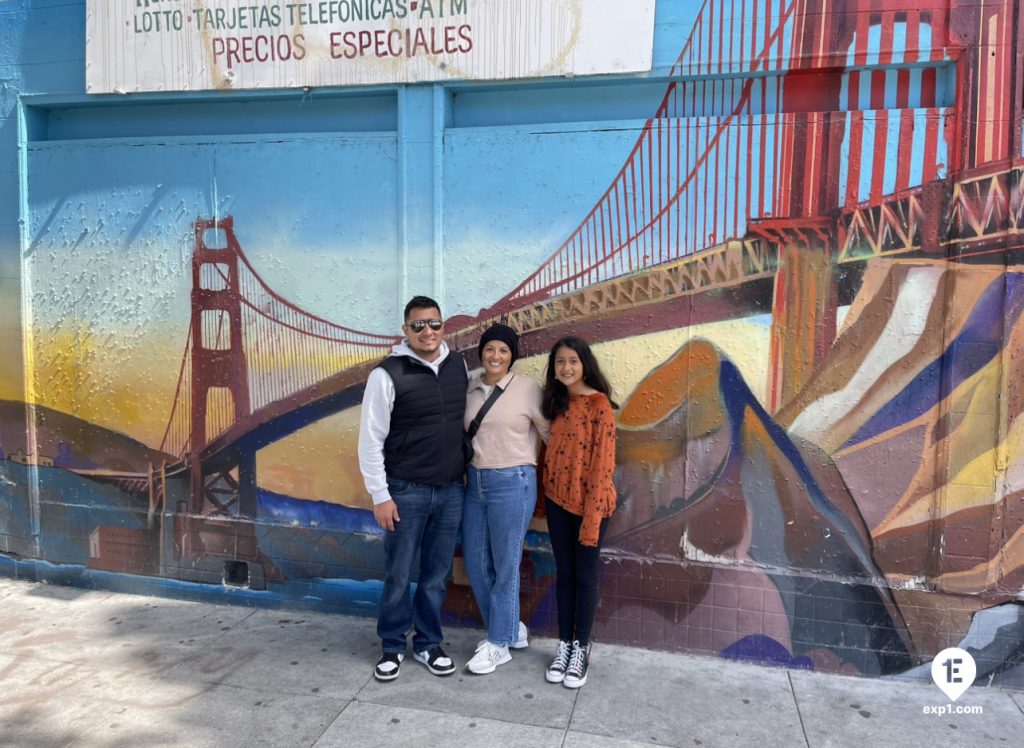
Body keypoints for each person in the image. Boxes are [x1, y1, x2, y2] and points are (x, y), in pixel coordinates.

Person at [358, 296, 467, 682]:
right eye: (418, 325)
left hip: (451, 490)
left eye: (434, 323)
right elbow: (370, 440)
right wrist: (381, 496)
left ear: (443, 326)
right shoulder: (386, 375)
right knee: (399, 574)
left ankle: (427, 644)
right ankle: (391, 646)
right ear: (405, 330)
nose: (427, 331)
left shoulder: (459, 365)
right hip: (405, 492)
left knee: (436, 575)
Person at [462, 323, 550, 675]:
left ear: (512, 355)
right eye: (490, 349)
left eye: (503, 350)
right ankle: (510, 627)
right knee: (474, 562)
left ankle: (498, 643)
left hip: (513, 482)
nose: (495, 356)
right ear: (481, 352)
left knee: (505, 563)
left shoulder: (528, 389)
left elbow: (551, 434)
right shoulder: (470, 386)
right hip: (474, 482)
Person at [540, 336, 617, 689]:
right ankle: (564, 645)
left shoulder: (600, 406)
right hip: (557, 502)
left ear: (585, 363)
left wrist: (591, 518)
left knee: (585, 577)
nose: (566, 368)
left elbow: (603, 465)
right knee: (565, 575)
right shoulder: (556, 402)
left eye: (572, 361)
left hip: (591, 506)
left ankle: (581, 650)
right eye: (559, 362)